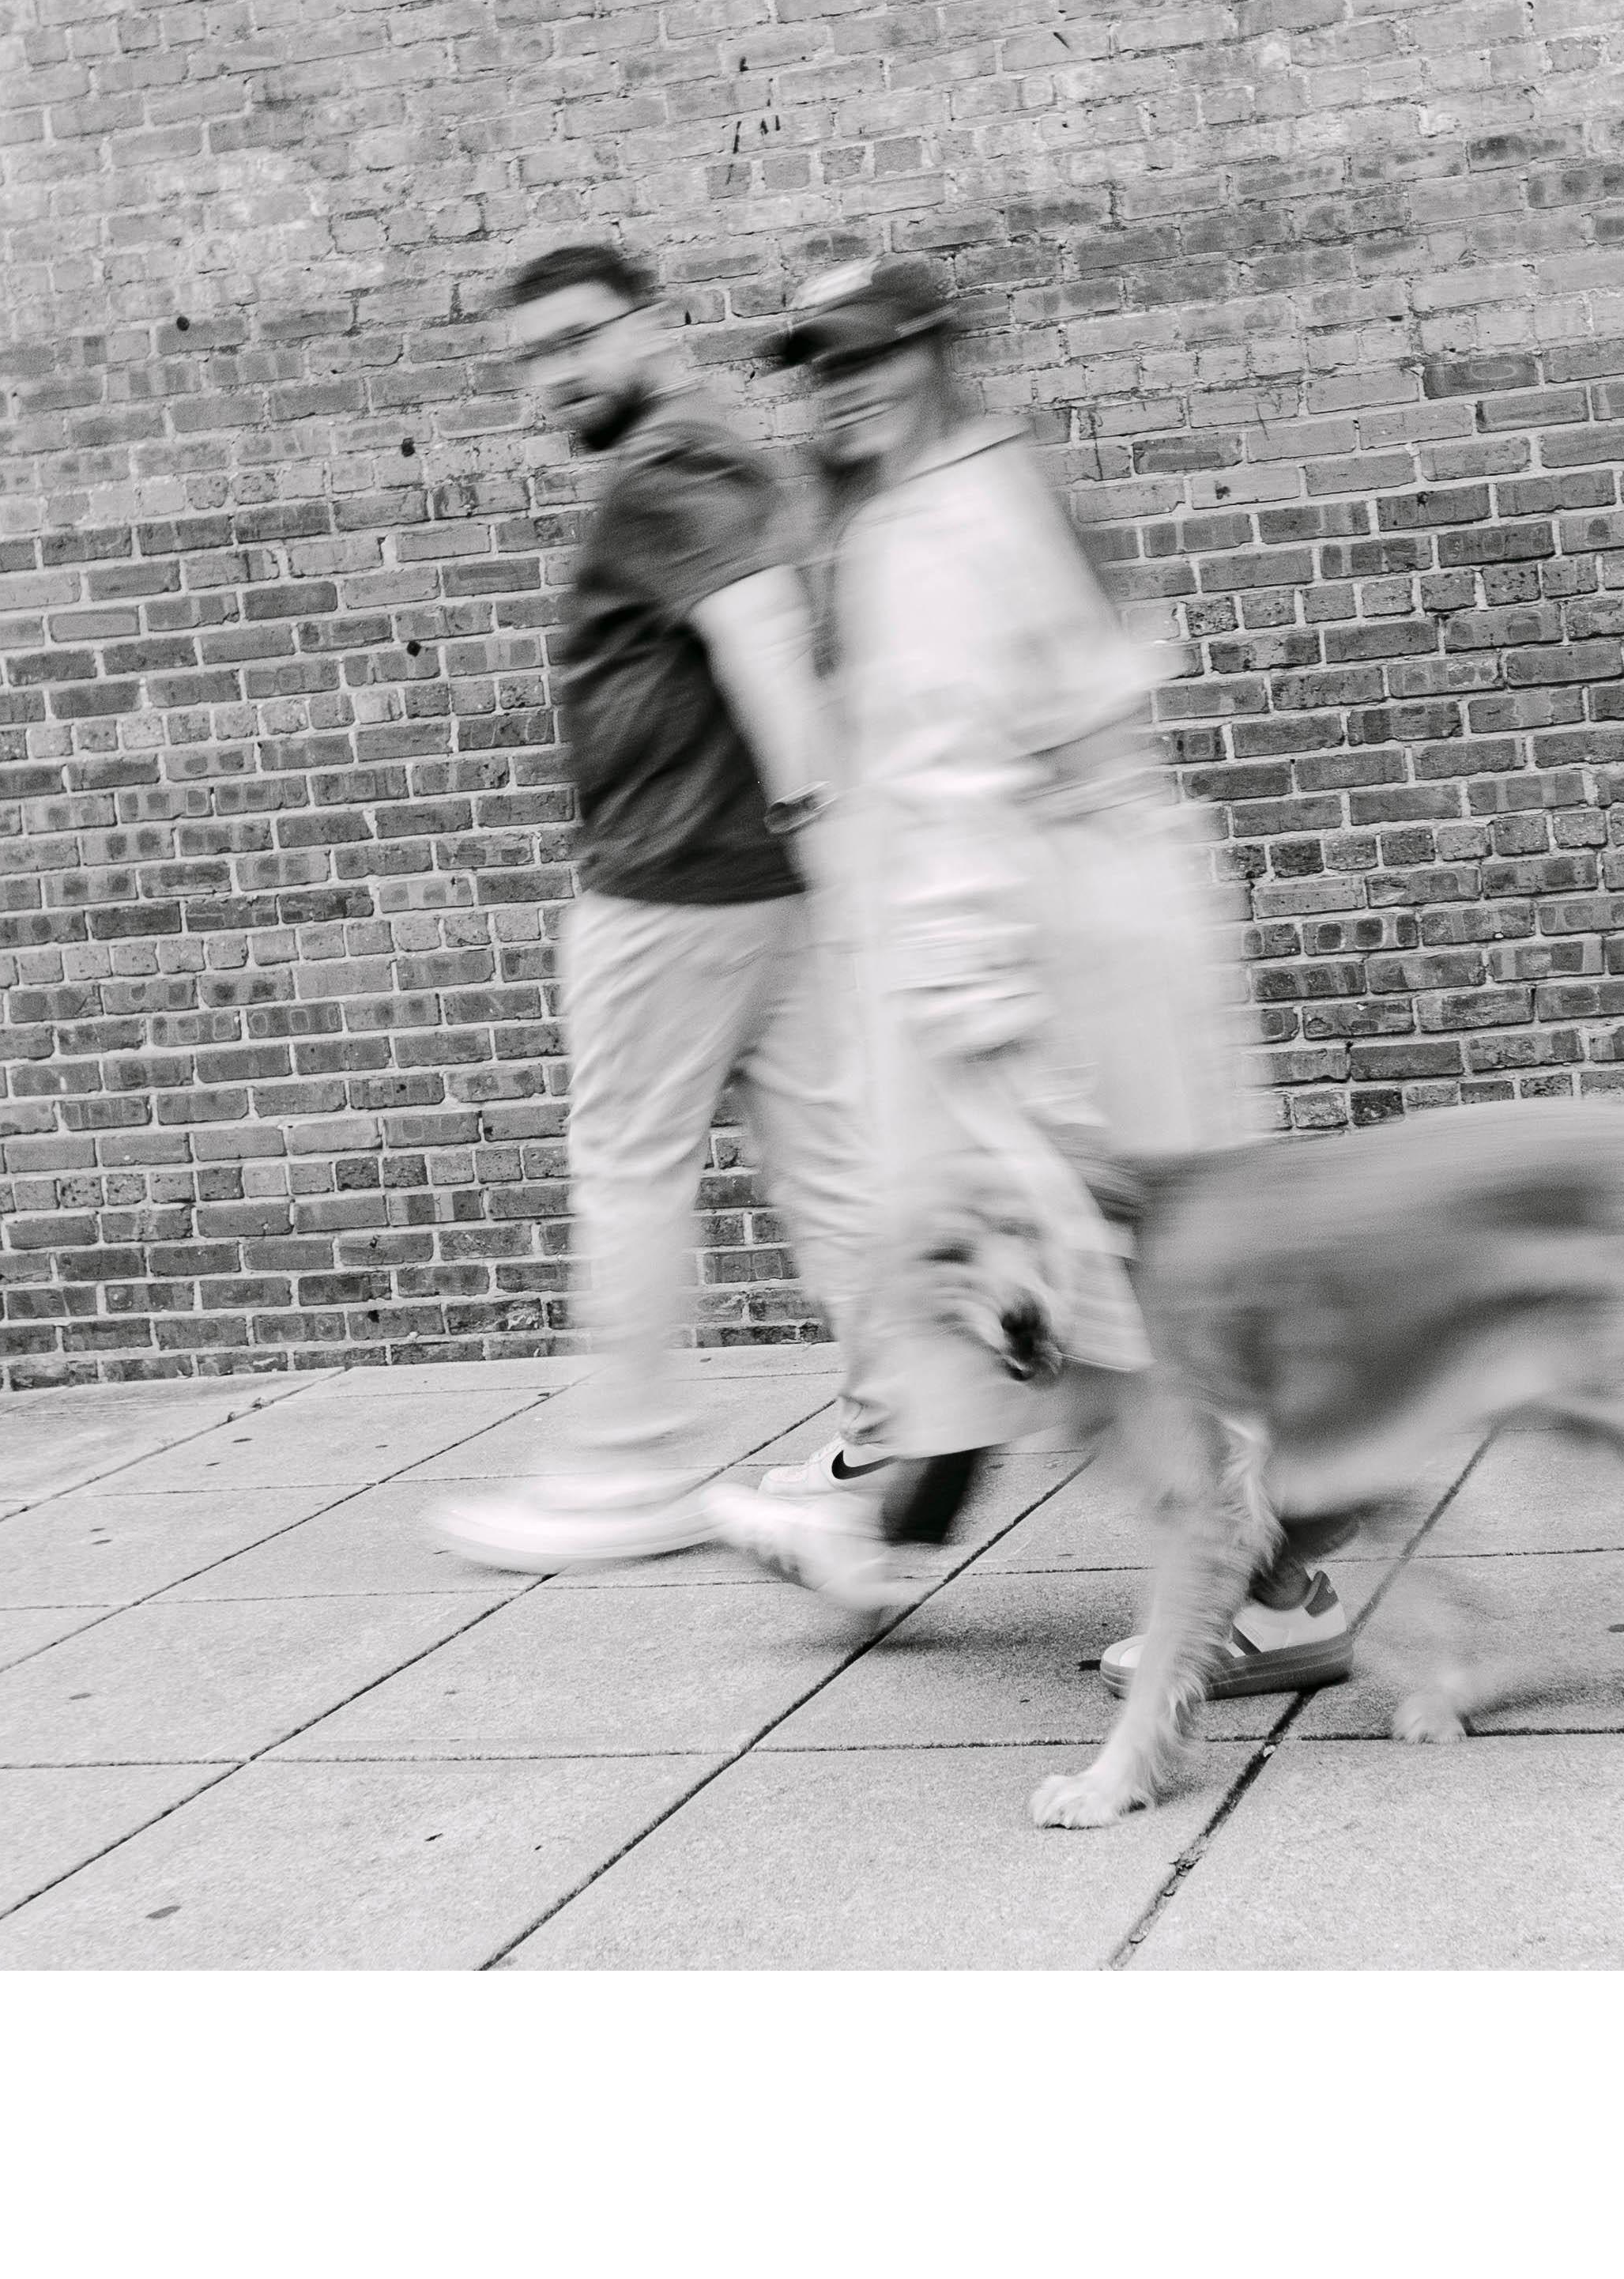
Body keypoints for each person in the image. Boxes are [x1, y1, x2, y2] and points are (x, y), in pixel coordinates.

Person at [725, 250, 1359, 1689]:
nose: (843, 388)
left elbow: (964, 776)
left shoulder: (939, 526)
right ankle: (890, 1517)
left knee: (1112, 1281)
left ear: (934, 351)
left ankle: (1275, 1585)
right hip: (1066, 927)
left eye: (870, 355)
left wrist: (976, 1005)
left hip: (1037, 952)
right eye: (821, 368)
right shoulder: (974, 488)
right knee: (1054, 1282)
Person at [420, 240, 874, 1574]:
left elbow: (765, 646)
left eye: (577, 340)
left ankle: (623, 1467)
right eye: (531, 359)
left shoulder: (669, 471)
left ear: (654, 325)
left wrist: (821, 824)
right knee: (834, 1178)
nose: (554, 377)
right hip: (764, 893)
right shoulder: (721, 458)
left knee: (630, 1173)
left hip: (670, 894)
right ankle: (899, 1431)